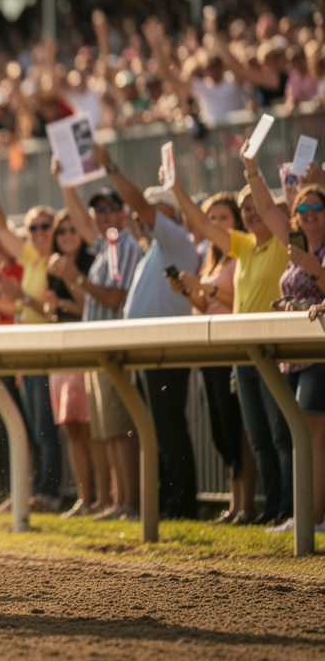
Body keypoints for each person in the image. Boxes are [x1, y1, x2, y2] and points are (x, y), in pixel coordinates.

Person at [172, 141, 290, 524]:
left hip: (274, 352)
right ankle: (273, 510)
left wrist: (251, 171)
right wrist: (176, 189)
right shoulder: (242, 246)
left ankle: (292, 509)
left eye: (256, 207)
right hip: (245, 355)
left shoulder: (282, 246)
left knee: (280, 435)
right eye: (246, 209)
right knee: (257, 440)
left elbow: (274, 209)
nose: (251, 213)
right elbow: (205, 225)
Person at [91, 144, 200, 520]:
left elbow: (137, 202)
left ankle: (180, 505)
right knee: (155, 431)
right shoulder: (156, 250)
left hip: (165, 351)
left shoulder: (174, 241)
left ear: (166, 213)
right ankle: (165, 501)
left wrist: (112, 166)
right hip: (149, 353)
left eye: (149, 211)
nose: (138, 217)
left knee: (168, 430)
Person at [52, 175, 143, 521]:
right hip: (102, 348)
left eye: (110, 208)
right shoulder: (107, 246)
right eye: (98, 209)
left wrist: (76, 277)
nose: (103, 215)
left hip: (115, 346)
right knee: (108, 431)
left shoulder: (121, 245)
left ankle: (131, 504)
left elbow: (114, 296)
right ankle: (120, 503)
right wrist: (65, 183)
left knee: (120, 429)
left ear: (123, 214)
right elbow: (79, 219)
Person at [0, 144, 62, 512]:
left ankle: (49, 493)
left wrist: (22, 299)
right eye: (33, 228)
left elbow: (47, 306)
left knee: (44, 428)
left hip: (47, 350)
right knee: (32, 428)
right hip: (27, 349)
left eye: (46, 226)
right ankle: (32, 491)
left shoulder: (57, 262)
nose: (39, 232)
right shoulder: (28, 257)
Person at [170, 192, 254, 524]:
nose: (216, 224)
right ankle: (235, 505)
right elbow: (207, 305)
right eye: (212, 218)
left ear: (236, 223)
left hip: (232, 347)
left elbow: (235, 301)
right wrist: (189, 291)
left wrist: (203, 289)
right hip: (211, 348)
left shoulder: (240, 255)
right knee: (221, 430)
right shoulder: (212, 259)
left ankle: (247, 505)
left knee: (236, 427)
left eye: (223, 218)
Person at [252, 176, 325, 534]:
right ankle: (304, 516)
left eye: (318, 207)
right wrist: (251, 166)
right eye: (303, 208)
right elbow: (266, 207)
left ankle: (312, 521)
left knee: (312, 436)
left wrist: (317, 272)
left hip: (319, 351)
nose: (310, 213)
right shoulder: (292, 249)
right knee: (301, 437)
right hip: (293, 354)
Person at [40, 209, 106, 517]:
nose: (67, 236)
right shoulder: (51, 267)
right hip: (61, 353)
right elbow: (50, 312)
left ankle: (104, 498)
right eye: (61, 231)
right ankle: (84, 498)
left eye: (72, 230)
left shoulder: (93, 263)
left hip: (87, 352)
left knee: (93, 429)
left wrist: (69, 285)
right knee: (72, 429)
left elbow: (91, 307)